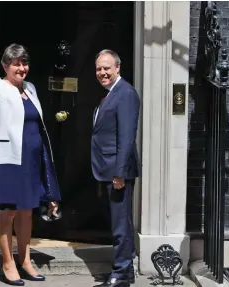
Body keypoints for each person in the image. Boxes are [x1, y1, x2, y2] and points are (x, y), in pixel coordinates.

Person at [0, 44, 61, 286]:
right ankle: (7, 262)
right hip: (9, 158)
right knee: (9, 211)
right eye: (16, 64)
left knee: (27, 210)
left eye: (24, 63)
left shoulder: (31, 88)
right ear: (5, 66)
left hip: (32, 159)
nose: (22, 68)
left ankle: (25, 260)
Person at [91, 49, 140, 287]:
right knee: (119, 223)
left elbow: (127, 137)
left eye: (107, 68)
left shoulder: (126, 93)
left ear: (118, 67)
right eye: (99, 68)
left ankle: (121, 273)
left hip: (117, 171)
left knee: (120, 226)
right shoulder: (111, 93)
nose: (102, 73)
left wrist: (119, 173)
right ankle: (125, 270)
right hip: (108, 168)